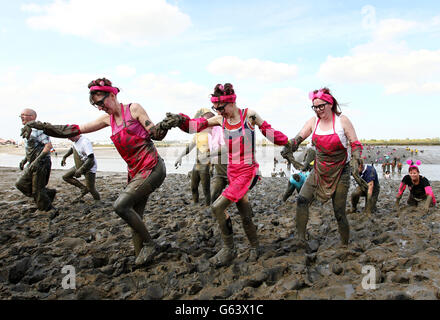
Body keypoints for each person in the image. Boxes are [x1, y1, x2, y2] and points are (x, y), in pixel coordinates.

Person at [21, 77, 171, 266]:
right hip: (135, 171)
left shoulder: (133, 109)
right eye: (96, 105)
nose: (100, 107)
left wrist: (165, 125)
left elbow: (156, 134)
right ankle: (140, 257)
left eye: (101, 102)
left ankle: (150, 245)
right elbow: (74, 129)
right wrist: (43, 127)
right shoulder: (106, 119)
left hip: (152, 166)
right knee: (135, 217)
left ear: (113, 94)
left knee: (121, 206)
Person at [162, 83, 291, 266]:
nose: (219, 112)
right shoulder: (220, 119)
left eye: (221, 108)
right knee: (244, 212)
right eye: (216, 109)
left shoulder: (250, 115)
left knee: (217, 207)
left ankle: (229, 249)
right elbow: (195, 126)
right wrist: (179, 120)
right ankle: (255, 247)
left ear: (232, 102)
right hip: (232, 172)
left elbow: (269, 132)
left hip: (248, 171)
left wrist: (289, 142)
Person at [281, 87, 366, 248]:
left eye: (321, 106)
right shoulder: (313, 122)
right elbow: (297, 139)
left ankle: (344, 244)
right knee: (302, 200)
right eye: (315, 107)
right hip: (319, 170)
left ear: (330, 103)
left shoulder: (342, 121)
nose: (318, 110)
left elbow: (355, 144)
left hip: (341, 170)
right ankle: (300, 239)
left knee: (339, 212)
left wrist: (356, 158)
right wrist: (288, 146)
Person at [16, 108, 57, 218]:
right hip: (32, 162)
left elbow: (48, 146)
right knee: (21, 184)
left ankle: (47, 209)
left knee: (37, 190)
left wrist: (37, 160)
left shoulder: (39, 130)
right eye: (21, 115)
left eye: (24, 115)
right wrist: (25, 160)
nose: (22, 117)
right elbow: (32, 148)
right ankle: (48, 194)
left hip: (42, 163)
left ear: (33, 117)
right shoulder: (26, 129)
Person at [175, 108, 214, 206]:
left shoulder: (212, 132)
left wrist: (213, 165)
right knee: (193, 186)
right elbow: (189, 147)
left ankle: (208, 205)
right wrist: (180, 156)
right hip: (196, 164)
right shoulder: (197, 134)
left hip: (206, 164)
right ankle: (195, 202)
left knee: (206, 189)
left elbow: (218, 149)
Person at [61, 134, 101, 201]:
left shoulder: (85, 142)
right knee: (65, 177)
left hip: (89, 167)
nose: (68, 139)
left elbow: (91, 158)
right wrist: (64, 156)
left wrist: (80, 170)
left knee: (91, 188)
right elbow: (72, 148)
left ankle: (98, 201)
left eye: (69, 137)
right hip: (79, 164)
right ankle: (83, 188)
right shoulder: (75, 141)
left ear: (76, 134)